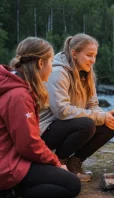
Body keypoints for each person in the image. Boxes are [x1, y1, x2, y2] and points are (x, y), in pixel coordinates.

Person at [0, 37, 80, 198]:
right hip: (7, 167)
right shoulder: (19, 96)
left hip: (11, 158)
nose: (52, 68)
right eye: (51, 61)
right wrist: (56, 163)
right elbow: (28, 145)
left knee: (61, 180)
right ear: (40, 64)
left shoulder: (17, 86)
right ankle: (12, 193)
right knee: (72, 185)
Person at [39, 33, 114, 182]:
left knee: (110, 125)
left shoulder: (88, 74)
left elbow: (93, 105)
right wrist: (99, 117)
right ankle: (60, 161)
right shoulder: (58, 72)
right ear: (74, 53)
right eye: (89, 55)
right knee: (87, 124)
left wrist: (106, 116)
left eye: (95, 56)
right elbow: (62, 111)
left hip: (69, 124)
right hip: (47, 129)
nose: (93, 60)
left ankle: (74, 162)